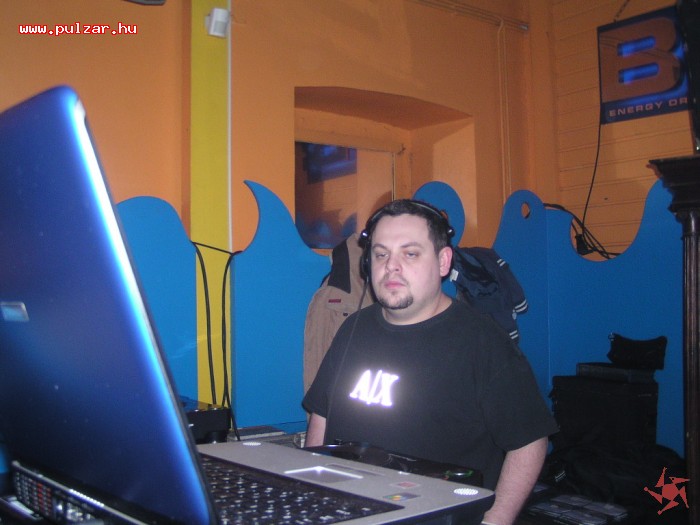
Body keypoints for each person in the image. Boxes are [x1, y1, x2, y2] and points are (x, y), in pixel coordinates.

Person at [302, 199, 558, 525]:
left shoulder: (482, 341)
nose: (391, 266)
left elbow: (530, 442)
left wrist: (495, 521)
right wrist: (311, 495)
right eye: (381, 254)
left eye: (410, 254)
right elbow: (321, 416)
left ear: (443, 261)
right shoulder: (354, 328)